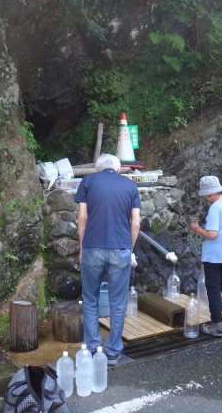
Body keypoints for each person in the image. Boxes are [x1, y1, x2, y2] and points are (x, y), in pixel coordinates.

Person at [74, 153, 141, 366]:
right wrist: (129, 247)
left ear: (97, 169)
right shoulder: (130, 186)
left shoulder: (88, 181)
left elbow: (82, 217)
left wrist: (82, 246)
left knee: (91, 298)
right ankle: (112, 351)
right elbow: (136, 223)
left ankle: (93, 348)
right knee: (118, 301)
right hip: (120, 247)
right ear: (118, 169)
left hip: (93, 246)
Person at [190, 176, 222, 337]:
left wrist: (196, 229)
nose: (205, 199)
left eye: (205, 196)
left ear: (210, 194)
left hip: (214, 256)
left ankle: (217, 325)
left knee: (214, 290)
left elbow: (212, 234)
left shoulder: (215, 208)